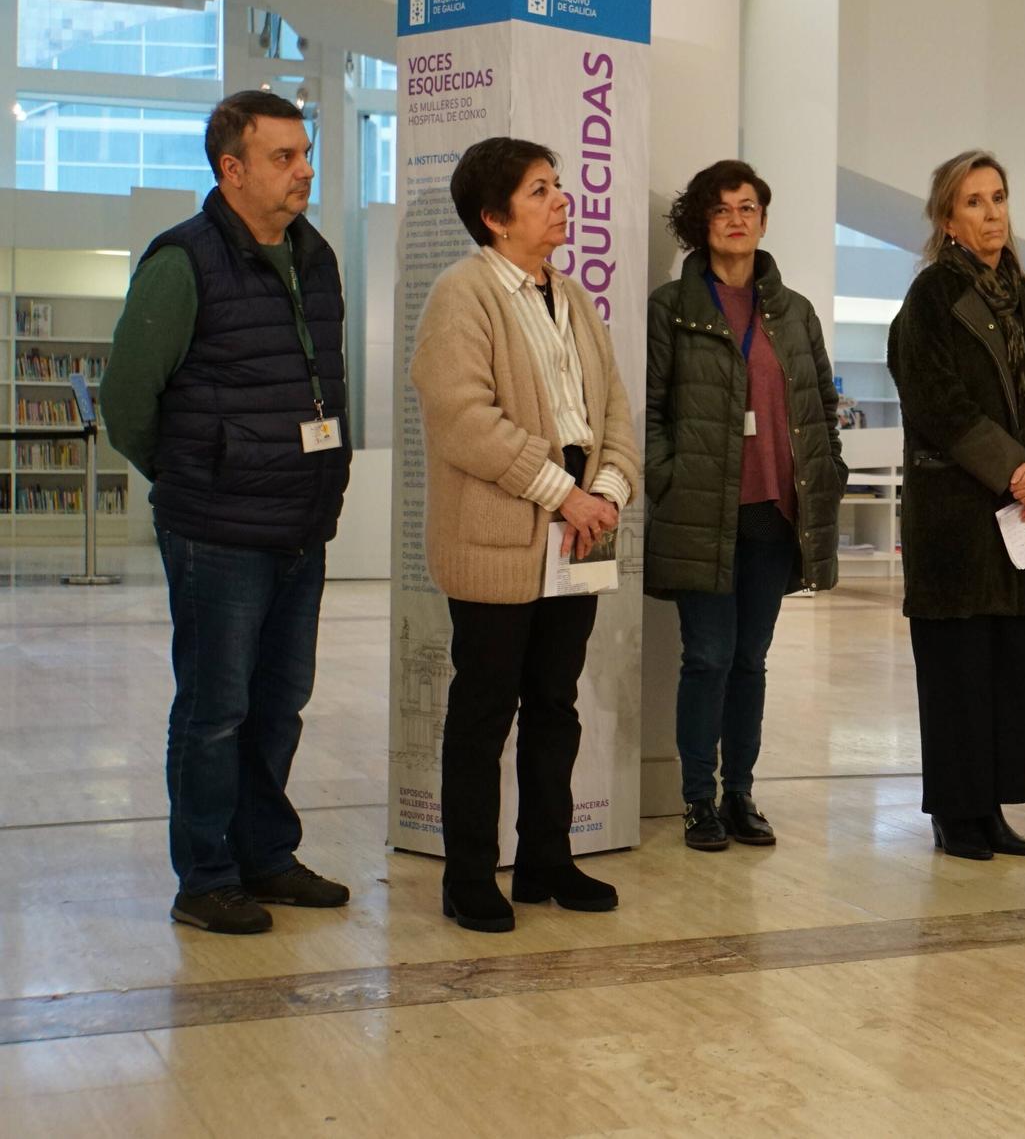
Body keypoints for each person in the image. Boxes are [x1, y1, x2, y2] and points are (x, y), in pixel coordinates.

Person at [101, 90, 353, 936]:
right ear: (231, 169)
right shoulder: (183, 260)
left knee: (280, 702)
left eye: (306, 155)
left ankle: (265, 856)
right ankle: (205, 875)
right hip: (217, 531)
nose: (304, 172)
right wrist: (191, 476)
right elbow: (129, 399)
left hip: (300, 523)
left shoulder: (315, 257)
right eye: (284, 158)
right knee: (215, 709)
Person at [410, 137, 640, 932]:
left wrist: (606, 489)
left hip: (578, 532)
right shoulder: (460, 294)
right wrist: (564, 493)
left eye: (559, 186)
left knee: (555, 703)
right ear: (494, 217)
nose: (561, 200)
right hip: (501, 534)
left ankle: (546, 857)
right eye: (540, 191)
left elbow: (612, 407)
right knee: (483, 712)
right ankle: (469, 873)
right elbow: (463, 421)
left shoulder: (572, 296)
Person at [887, 150, 1025, 861]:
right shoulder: (929, 302)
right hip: (957, 515)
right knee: (956, 669)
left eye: (998, 196)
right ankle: (956, 811)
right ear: (948, 219)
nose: (991, 212)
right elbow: (940, 404)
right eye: (973, 201)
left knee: (1010, 669)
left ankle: (995, 807)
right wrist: (1015, 470)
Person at [645, 160, 846, 851]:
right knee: (707, 655)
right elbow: (649, 411)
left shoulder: (793, 312)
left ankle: (740, 793)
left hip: (773, 512)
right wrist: (667, 476)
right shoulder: (671, 308)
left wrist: (828, 474)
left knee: (750, 659)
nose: (737, 218)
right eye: (723, 208)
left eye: (749, 206)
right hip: (700, 510)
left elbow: (821, 403)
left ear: (763, 218)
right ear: (702, 223)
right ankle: (698, 799)